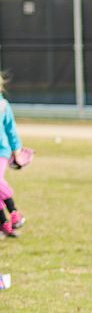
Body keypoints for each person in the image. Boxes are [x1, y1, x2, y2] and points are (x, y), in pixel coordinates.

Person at [0, 73, 26, 239]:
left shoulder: (3, 105)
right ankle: (4, 224)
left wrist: (17, 152)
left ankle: (14, 212)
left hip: (1, 151)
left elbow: (11, 131)